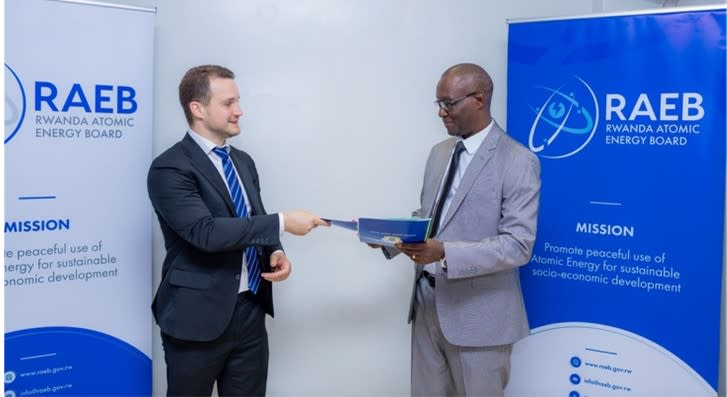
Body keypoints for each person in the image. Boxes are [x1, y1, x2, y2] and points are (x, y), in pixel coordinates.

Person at [147, 64, 328, 396]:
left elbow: (253, 218)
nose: (239, 111)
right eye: (229, 103)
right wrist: (284, 222)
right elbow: (206, 233)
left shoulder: (243, 161)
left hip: (250, 314)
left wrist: (275, 251)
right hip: (195, 319)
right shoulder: (169, 168)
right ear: (198, 109)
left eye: (238, 101)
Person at [377, 63, 541, 396]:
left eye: (448, 104)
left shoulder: (517, 160)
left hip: (479, 318)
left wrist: (445, 252)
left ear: (479, 99)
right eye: (438, 103)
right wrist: (390, 239)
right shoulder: (439, 153)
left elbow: (518, 245)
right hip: (426, 305)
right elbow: (430, 217)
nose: (440, 113)